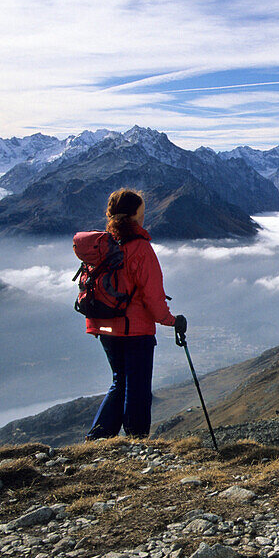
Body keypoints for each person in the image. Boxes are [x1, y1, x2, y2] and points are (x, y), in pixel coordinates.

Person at [85, 188, 186, 441]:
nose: (144, 217)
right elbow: (152, 296)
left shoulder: (103, 247)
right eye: (142, 212)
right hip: (135, 331)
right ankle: (137, 441)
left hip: (105, 326)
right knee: (138, 387)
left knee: (120, 381)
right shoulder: (140, 249)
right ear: (133, 216)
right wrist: (172, 321)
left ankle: (98, 438)